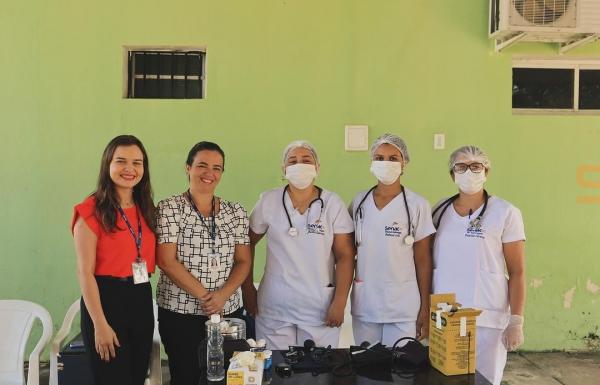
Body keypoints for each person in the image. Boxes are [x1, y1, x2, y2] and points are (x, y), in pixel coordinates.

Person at [241, 140, 355, 350]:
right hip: (274, 306)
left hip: (319, 308)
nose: (299, 165)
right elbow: (245, 244)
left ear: (317, 168)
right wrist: (247, 288)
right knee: (275, 372)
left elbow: (345, 256)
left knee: (318, 375)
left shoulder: (332, 204)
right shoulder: (269, 200)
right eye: (292, 161)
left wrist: (340, 302)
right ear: (284, 170)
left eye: (306, 160)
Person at [155, 141, 251, 385]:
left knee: (229, 377)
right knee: (185, 375)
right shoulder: (170, 209)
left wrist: (223, 296)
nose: (210, 173)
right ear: (188, 168)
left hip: (228, 311)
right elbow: (166, 260)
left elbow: (243, 261)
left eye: (217, 168)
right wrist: (208, 297)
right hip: (181, 313)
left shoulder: (235, 212)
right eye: (202, 165)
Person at [431, 145, 526, 385]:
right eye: (461, 166)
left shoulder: (506, 212)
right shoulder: (439, 211)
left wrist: (516, 320)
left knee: (485, 381)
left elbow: (517, 271)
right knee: (445, 380)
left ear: (486, 172)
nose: (469, 172)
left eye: (476, 166)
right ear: (452, 174)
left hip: (487, 316)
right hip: (447, 315)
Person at [72, 135, 156, 385]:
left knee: (136, 377)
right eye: (121, 161)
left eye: (137, 163)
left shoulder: (145, 207)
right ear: (107, 164)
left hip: (140, 296)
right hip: (106, 300)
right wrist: (100, 324)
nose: (129, 169)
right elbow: (84, 272)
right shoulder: (91, 210)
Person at [350, 133, 435, 346]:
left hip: (403, 305)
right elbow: (347, 253)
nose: (385, 163)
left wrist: (426, 306)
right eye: (379, 158)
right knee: (366, 369)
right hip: (366, 302)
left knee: (400, 372)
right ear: (371, 162)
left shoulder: (417, 205)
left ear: (404, 162)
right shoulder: (359, 202)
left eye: (393, 158)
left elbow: (423, 260)